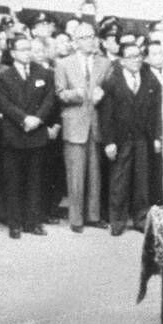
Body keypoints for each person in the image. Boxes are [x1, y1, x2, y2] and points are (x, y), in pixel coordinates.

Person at [98, 41, 161, 236]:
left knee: (142, 182)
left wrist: (157, 136)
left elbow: (156, 111)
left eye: (139, 55)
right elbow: (105, 115)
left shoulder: (150, 79)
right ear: (122, 60)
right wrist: (109, 141)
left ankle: (140, 219)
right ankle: (117, 221)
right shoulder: (112, 81)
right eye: (131, 57)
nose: (137, 60)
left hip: (142, 138)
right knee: (119, 181)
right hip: (120, 139)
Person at [0, 37, 56, 239]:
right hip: (14, 134)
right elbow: (4, 103)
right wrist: (24, 119)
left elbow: (49, 99)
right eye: (22, 50)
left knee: (35, 180)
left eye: (29, 49)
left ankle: (33, 222)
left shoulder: (44, 73)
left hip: (37, 134)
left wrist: (38, 119)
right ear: (12, 53)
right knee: (13, 181)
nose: (27, 53)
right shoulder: (4, 76)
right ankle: (15, 223)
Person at [54, 24, 110, 231]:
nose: (90, 41)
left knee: (95, 174)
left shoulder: (104, 63)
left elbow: (109, 89)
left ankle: (93, 216)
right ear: (75, 42)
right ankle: (76, 219)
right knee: (75, 175)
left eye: (92, 37)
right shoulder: (64, 64)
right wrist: (75, 94)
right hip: (75, 123)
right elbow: (59, 93)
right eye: (85, 38)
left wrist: (102, 94)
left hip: (96, 123)